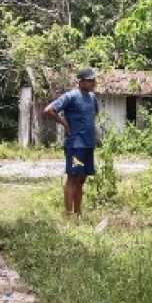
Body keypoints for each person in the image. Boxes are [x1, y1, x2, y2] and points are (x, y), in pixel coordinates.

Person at [45, 68, 100, 216]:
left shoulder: (92, 98)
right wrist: (65, 124)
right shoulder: (70, 96)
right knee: (73, 178)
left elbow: (93, 115)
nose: (93, 83)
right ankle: (69, 215)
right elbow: (49, 110)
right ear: (80, 81)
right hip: (76, 145)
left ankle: (78, 213)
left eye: (93, 80)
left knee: (81, 179)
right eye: (89, 80)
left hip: (88, 144)